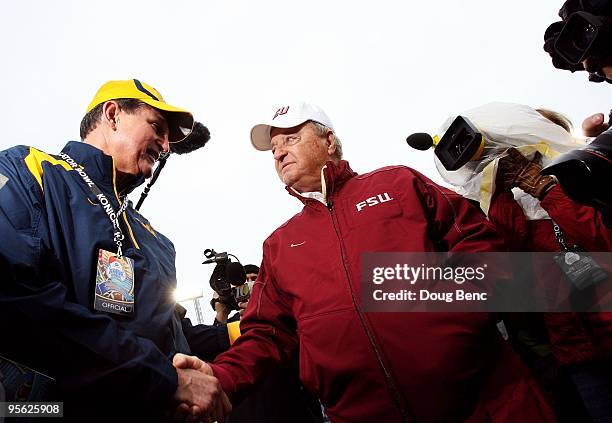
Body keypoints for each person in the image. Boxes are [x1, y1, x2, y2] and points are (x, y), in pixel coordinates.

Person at [175, 101, 555, 422]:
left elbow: (480, 243)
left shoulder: (398, 184)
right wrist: (221, 377)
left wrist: (458, 312)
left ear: (329, 141)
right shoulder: (280, 244)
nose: (278, 152)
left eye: (291, 138)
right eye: (274, 147)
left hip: (487, 405)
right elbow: (267, 334)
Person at [0, 79, 230, 421]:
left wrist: (243, 328)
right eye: (157, 126)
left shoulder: (154, 238)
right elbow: (13, 294)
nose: (165, 146)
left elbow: (173, 337)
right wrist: (163, 378)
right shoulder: (27, 171)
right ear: (112, 115)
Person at [489, 110, 612, 422]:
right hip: (575, 350)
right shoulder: (520, 201)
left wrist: (546, 189)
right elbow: (509, 255)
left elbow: (602, 237)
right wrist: (500, 188)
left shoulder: (588, 174)